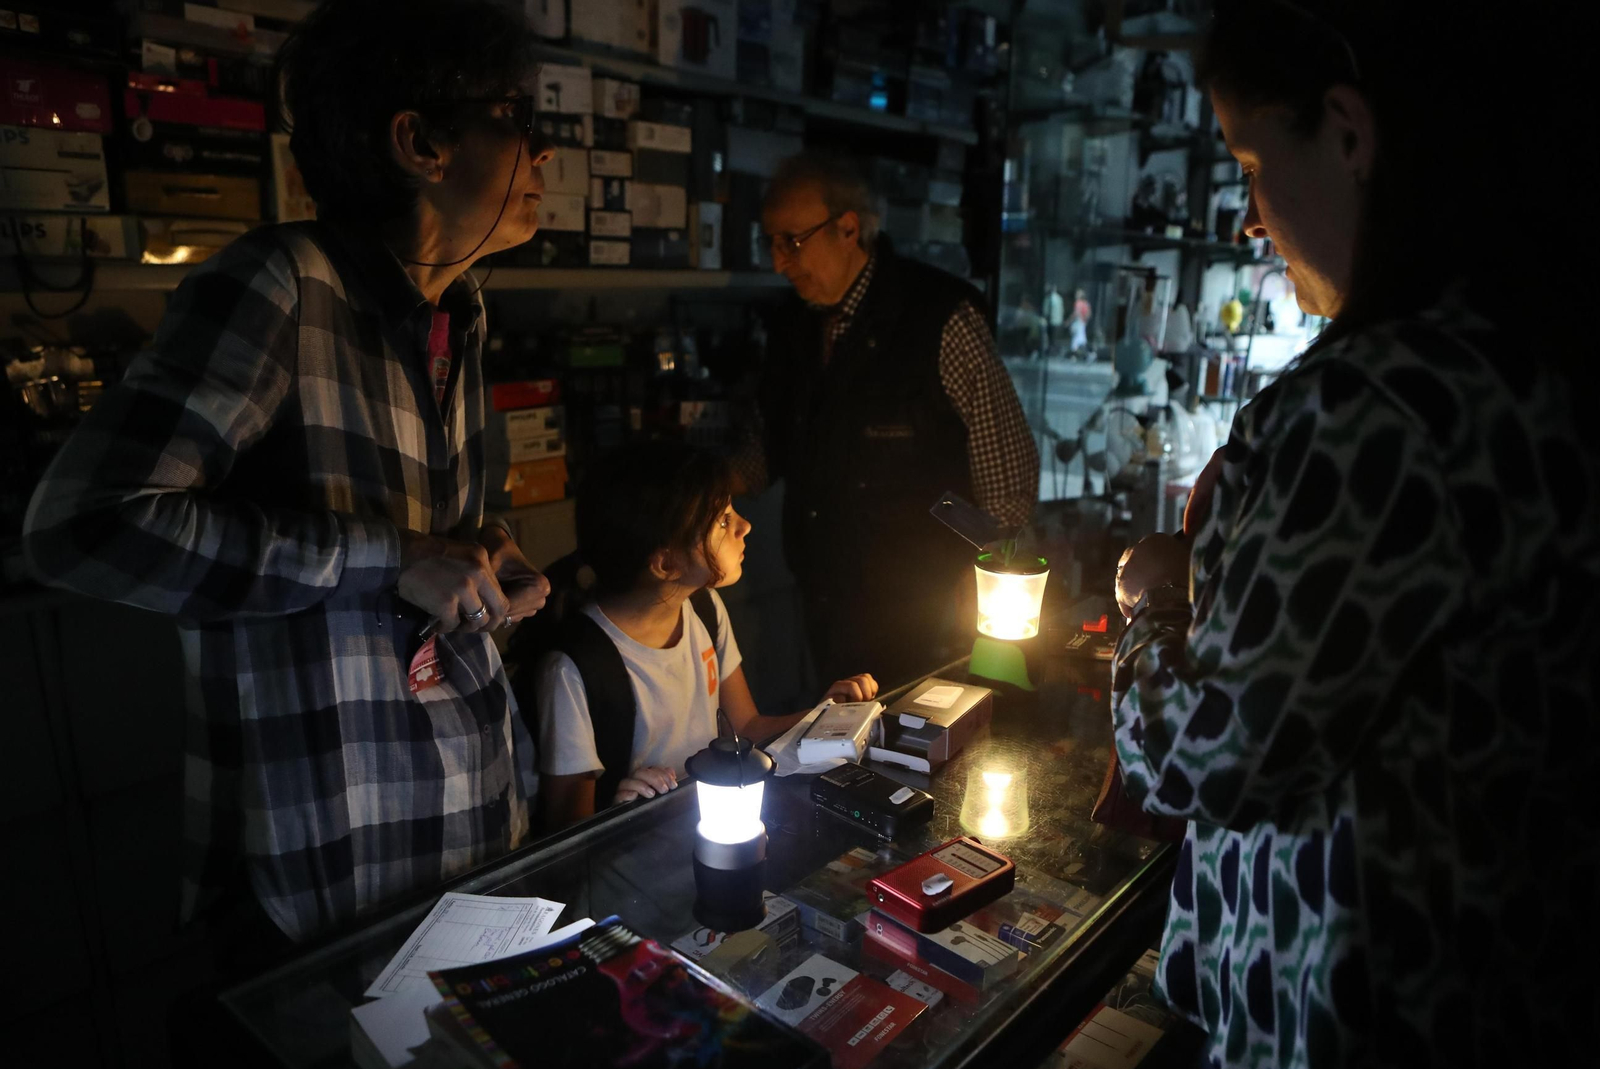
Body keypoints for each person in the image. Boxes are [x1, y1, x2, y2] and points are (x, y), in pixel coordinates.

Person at [1110, 2, 1596, 1067]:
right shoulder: (1515, 366)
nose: (1249, 215)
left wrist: (1153, 602)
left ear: (1345, 130)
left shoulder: (1368, 411)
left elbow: (1210, 754)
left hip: (1350, 1019)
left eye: (1248, 161)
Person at [21, 0, 555, 954]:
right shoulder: (279, 284)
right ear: (420, 142)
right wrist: (388, 560)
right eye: (520, 120)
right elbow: (82, 526)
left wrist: (476, 556)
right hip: (321, 874)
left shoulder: (461, 310)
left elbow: (422, 550)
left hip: (464, 834)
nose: (544, 156)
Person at [737, 150, 1039, 688]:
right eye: (772, 243)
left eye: (792, 241)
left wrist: (983, 572)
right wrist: (707, 486)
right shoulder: (794, 326)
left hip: (921, 605)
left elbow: (1007, 480)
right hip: (824, 591)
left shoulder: (939, 317)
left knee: (921, 747)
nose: (780, 261)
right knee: (842, 747)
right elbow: (771, 442)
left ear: (848, 229)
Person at [527, 441, 877, 831]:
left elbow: (744, 729)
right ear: (666, 563)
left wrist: (823, 715)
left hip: (709, 839)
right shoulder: (575, 668)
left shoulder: (704, 609)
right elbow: (565, 832)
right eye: (724, 521)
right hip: (632, 880)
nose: (745, 526)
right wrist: (619, 807)